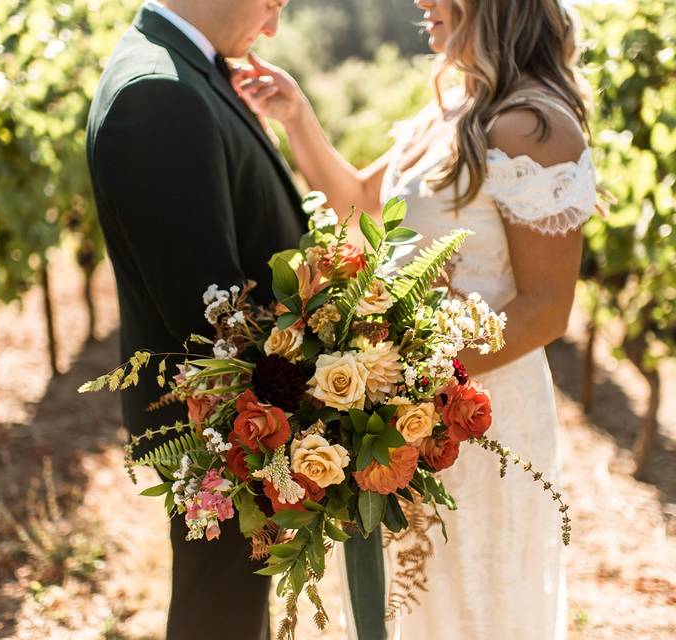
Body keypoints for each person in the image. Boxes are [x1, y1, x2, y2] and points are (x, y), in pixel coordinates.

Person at [234, 0, 599, 637]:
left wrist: (417, 385)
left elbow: (547, 308)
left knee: (468, 603)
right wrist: (296, 115)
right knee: (406, 602)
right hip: (414, 411)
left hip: (478, 414)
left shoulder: (535, 127)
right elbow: (357, 204)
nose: (422, 2)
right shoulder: (451, 110)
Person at [84, 1, 303, 638]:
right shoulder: (159, 93)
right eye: (273, 2)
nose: (273, 28)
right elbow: (214, 324)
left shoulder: (187, 71)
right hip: (225, 437)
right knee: (221, 620)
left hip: (242, 432)